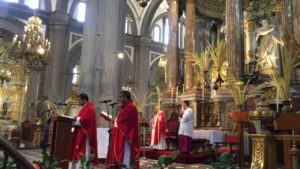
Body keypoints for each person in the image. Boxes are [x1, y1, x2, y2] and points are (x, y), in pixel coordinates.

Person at [106, 90, 140, 169]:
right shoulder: (125, 107)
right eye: (119, 97)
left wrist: (116, 120)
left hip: (126, 137)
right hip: (122, 135)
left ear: (126, 97)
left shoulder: (131, 107)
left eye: (121, 97)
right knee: (123, 155)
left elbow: (125, 122)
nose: (119, 99)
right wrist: (114, 120)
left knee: (125, 155)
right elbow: (121, 120)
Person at [69, 93, 98, 169]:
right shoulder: (84, 108)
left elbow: (87, 120)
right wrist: (77, 118)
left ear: (85, 99)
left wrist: (77, 118)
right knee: (79, 151)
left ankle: (83, 166)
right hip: (81, 132)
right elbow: (81, 117)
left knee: (84, 151)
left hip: (85, 134)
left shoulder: (90, 108)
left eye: (80, 100)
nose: (79, 102)